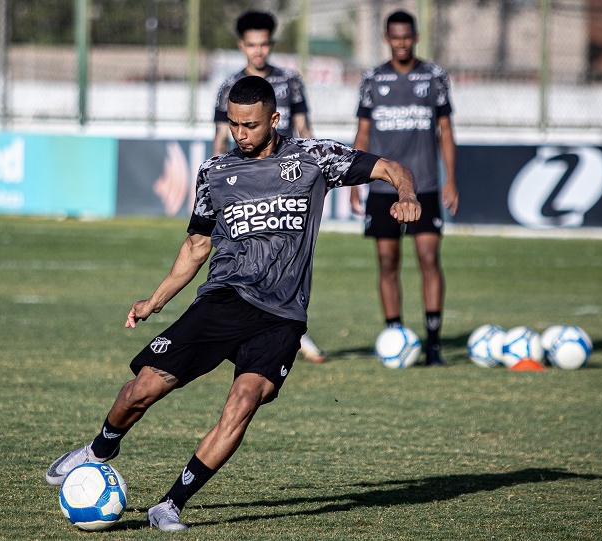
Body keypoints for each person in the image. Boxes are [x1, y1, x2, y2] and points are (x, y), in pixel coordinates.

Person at [46, 76, 420, 531]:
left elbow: (390, 167)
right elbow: (196, 246)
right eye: (233, 123)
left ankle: (170, 505)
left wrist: (406, 196)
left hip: (282, 316)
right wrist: (155, 300)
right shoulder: (215, 172)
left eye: (250, 124)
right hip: (223, 300)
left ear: (274, 119)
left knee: (242, 403)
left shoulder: (313, 157)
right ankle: (100, 448)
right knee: (144, 389)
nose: (239, 133)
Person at [213, 10, 325, 364]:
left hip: (287, 182)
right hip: (246, 184)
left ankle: (294, 330)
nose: (258, 52)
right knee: (246, 259)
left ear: (271, 45)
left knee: (290, 259)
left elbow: (305, 130)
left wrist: (318, 170)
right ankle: (243, 330)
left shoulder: (290, 81)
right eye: (251, 45)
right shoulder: (231, 86)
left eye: (264, 44)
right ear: (241, 45)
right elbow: (220, 140)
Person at [350, 10, 458, 366]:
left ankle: (434, 342)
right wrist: (354, 180)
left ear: (416, 36)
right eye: (394, 37)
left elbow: (446, 130)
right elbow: (363, 133)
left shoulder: (434, 76)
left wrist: (451, 179)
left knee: (429, 258)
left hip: (425, 185)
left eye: (406, 37)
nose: (401, 42)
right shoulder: (372, 79)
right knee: (387, 261)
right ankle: (394, 334)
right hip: (382, 188)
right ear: (386, 38)